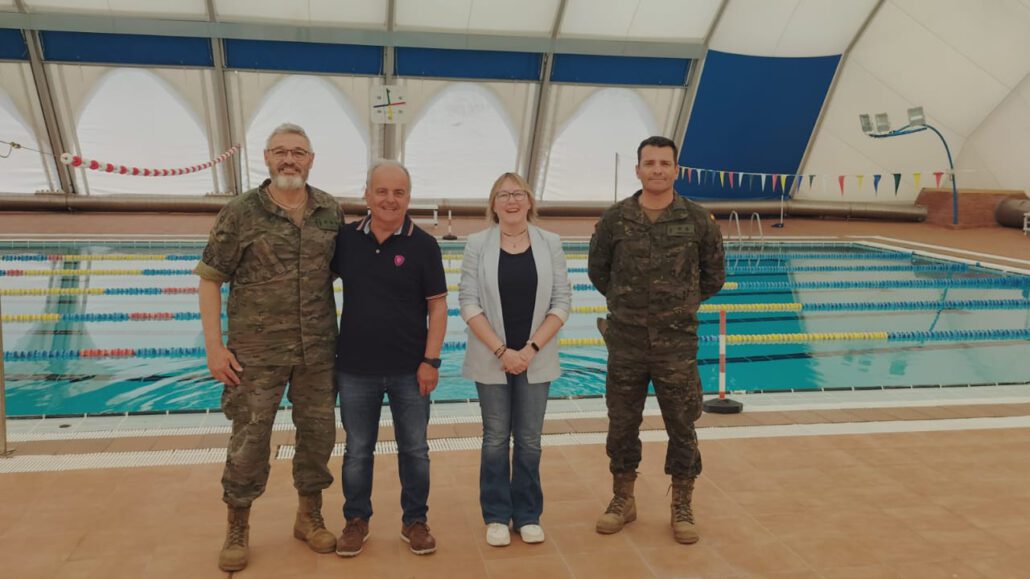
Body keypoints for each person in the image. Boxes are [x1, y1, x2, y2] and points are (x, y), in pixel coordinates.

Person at [196, 123, 341, 572]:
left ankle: (308, 516)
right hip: (255, 354)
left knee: (317, 436)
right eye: (281, 151)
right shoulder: (240, 212)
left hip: (316, 351)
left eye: (298, 152)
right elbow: (209, 278)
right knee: (249, 441)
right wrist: (214, 348)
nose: (289, 160)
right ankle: (238, 525)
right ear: (266, 157)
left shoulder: (329, 211)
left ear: (311, 160)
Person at [587, 135, 725, 544]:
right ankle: (622, 499)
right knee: (621, 425)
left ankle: (682, 504)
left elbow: (714, 277)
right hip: (626, 343)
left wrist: (678, 306)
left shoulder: (698, 221)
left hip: (676, 345)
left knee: (682, 426)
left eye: (665, 163)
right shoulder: (615, 220)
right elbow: (599, 272)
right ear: (638, 170)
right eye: (650, 163)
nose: (658, 170)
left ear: (676, 170)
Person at [330, 159, 447, 557]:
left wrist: (430, 361)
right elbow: (312, 287)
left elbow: (438, 308)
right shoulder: (344, 240)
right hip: (355, 368)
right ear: (366, 194)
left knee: (414, 449)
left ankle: (415, 520)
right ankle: (355, 520)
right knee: (357, 450)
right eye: (381, 191)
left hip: (409, 370)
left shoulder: (424, 245)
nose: (389, 199)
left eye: (399, 192)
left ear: (408, 197)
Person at [458, 172, 571, 547]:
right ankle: (495, 514)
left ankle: (526, 514)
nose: (511, 200)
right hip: (493, 357)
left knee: (529, 440)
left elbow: (562, 302)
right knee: (494, 439)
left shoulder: (550, 242)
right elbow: (468, 302)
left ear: (529, 201)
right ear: (493, 204)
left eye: (518, 194)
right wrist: (503, 352)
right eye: (503, 194)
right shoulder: (477, 244)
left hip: (535, 358)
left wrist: (530, 350)